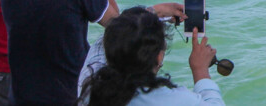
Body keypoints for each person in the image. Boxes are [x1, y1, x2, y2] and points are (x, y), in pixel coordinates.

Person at [79, 7, 224, 105]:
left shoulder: (90, 90)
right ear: (159, 58)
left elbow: (113, 36)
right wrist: (200, 70)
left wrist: (150, 13)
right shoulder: (174, 100)